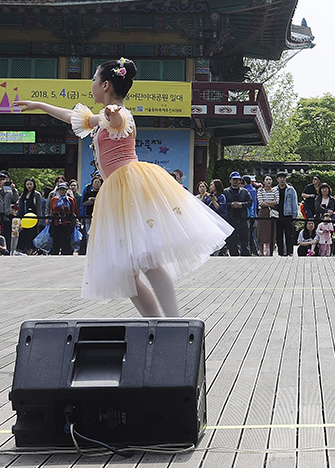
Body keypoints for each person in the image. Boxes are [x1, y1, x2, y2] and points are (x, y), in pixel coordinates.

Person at [16, 58, 231, 317]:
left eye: (94, 80)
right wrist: (40, 105)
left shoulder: (120, 115)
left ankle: (174, 322)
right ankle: (158, 324)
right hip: (117, 193)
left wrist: (113, 115)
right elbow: (72, 117)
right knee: (127, 273)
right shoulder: (103, 116)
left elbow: (119, 122)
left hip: (129, 187)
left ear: (105, 85)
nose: (92, 85)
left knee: (148, 261)